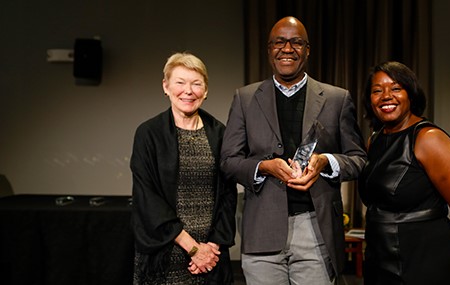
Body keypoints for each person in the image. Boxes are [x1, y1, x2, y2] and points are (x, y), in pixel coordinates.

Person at [220, 16, 367, 284]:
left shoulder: (337, 98)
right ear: (269, 49)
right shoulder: (245, 98)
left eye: (296, 42)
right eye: (279, 42)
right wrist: (263, 167)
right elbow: (228, 161)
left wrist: (326, 161)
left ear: (307, 50)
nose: (287, 49)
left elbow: (358, 160)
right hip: (262, 230)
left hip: (316, 229)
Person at [358, 61, 450, 284]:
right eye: (377, 90)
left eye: (396, 88)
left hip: (426, 260)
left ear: (411, 94)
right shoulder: (374, 140)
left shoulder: (429, 139)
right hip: (378, 259)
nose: (386, 96)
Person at [130, 52, 237, 285]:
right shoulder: (148, 134)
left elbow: (228, 195)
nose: (188, 91)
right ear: (165, 86)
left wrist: (210, 249)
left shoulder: (221, 134)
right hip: (165, 255)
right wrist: (192, 248)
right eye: (180, 82)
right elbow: (147, 198)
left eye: (196, 84)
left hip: (211, 258)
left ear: (206, 91)